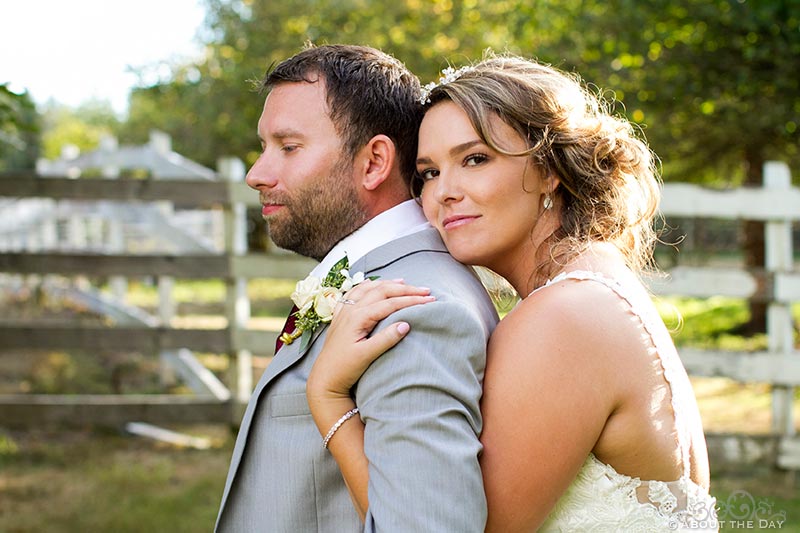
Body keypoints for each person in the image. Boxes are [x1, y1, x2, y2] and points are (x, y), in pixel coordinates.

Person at [306, 55, 718, 531]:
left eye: (475, 159)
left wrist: (329, 398)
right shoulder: (596, 286)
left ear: (549, 170)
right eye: (430, 173)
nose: (444, 193)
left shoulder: (565, 318)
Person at [214, 44, 499, 532]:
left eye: (288, 146)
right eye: (264, 148)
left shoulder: (415, 311)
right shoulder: (369, 279)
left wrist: (327, 399)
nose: (256, 175)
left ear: (373, 163)